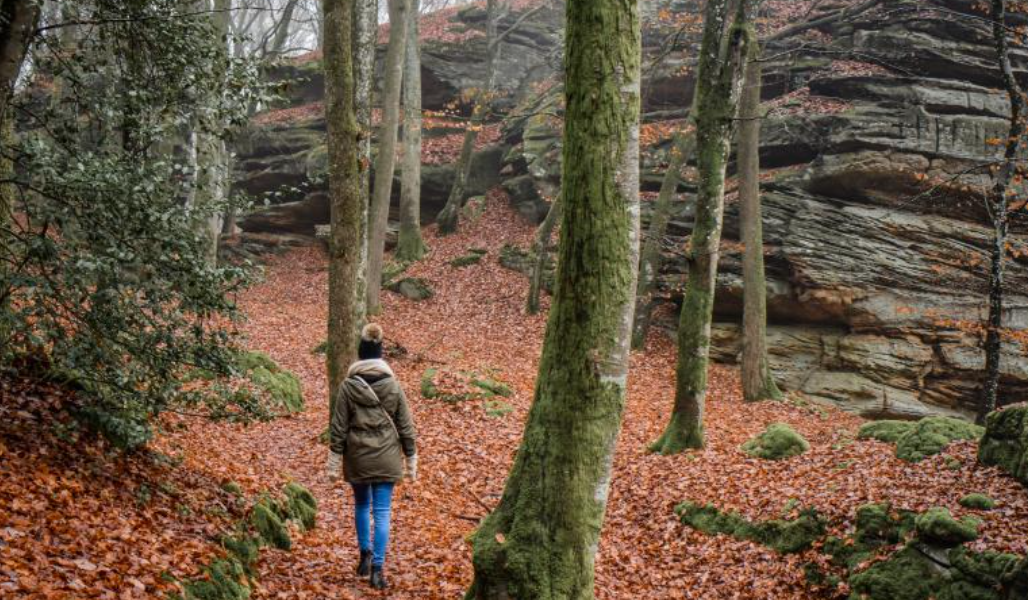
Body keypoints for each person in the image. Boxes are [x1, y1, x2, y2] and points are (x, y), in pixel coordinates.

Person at [326, 323, 417, 590]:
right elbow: (406, 426)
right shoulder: (393, 386)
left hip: (358, 457)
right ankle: (378, 569)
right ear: (381, 355)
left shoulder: (347, 387)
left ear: (361, 353)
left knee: (362, 506)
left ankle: (364, 555)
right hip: (387, 457)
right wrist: (411, 459)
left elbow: (338, 427)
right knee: (383, 511)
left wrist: (333, 462)